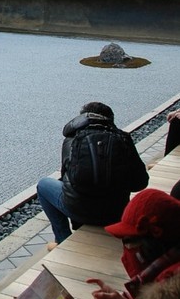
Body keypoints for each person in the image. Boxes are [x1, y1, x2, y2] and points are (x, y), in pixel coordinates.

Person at [37, 102, 149, 247]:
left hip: (79, 212)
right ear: (110, 119)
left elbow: (68, 179)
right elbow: (140, 183)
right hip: (117, 212)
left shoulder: (71, 139)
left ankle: (62, 239)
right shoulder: (122, 139)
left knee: (43, 185)